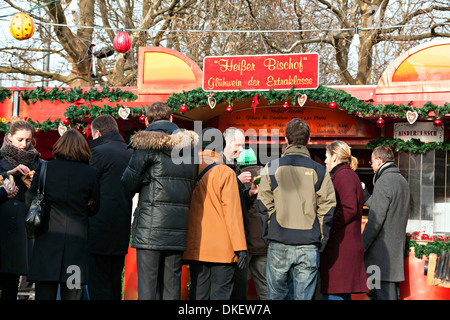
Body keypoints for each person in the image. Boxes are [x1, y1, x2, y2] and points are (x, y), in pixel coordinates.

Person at [121, 101, 198, 300]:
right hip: (178, 225)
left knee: (148, 287)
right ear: (171, 119)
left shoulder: (145, 145)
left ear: (146, 121)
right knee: (171, 287)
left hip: (150, 226)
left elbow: (127, 183)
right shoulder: (189, 148)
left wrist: (146, 179)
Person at [257, 118, 336, 300]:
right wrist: (321, 239)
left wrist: (270, 231)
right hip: (308, 244)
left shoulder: (271, 168)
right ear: (308, 141)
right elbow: (328, 208)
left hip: (279, 241)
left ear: (286, 140)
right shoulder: (321, 171)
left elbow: (263, 204)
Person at [25, 128, 99, 300]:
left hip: (47, 240)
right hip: (77, 244)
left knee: (44, 293)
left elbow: (29, 199)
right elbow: (95, 207)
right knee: (73, 293)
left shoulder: (45, 169)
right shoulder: (91, 174)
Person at [183, 128, 247, 300]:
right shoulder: (225, 173)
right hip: (223, 249)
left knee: (198, 293)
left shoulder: (189, 171)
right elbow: (232, 213)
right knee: (221, 295)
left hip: (197, 246)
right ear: (223, 146)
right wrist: (240, 248)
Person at [88, 115, 133, 300]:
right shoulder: (130, 152)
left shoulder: (98, 153)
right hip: (122, 226)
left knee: (99, 282)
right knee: (115, 281)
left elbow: (87, 184)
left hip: (98, 226)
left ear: (97, 133)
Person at [320, 140, 368, 300]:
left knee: (335, 294)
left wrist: (327, 227)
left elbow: (348, 208)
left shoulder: (344, 176)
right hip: (344, 247)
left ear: (334, 157)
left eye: (326, 157)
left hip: (340, 249)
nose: (325, 161)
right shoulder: (347, 175)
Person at [0, 117, 42, 300]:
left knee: (12, 280)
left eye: (27, 140)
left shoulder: (37, 160)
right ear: (9, 137)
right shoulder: (0, 157)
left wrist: (33, 183)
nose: (24, 144)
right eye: (20, 139)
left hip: (20, 225)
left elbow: (41, 193)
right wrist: (8, 173)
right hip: (1, 223)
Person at [362, 145, 410, 300]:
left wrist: (361, 247)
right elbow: (388, 209)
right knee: (389, 294)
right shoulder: (402, 180)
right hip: (394, 251)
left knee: (382, 295)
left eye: (372, 162)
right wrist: (366, 195)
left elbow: (375, 221)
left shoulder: (384, 181)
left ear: (379, 160)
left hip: (381, 255)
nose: (372, 166)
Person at [223, 127, 257, 300]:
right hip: (226, 240)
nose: (242, 149)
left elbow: (237, 201)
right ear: (227, 143)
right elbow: (221, 196)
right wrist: (236, 181)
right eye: (239, 145)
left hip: (238, 238)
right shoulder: (220, 165)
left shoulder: (234, 165)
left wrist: (249, 194)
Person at [237, 148, 267, 300]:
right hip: (264, 242)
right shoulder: (267, 176)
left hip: (244, 243)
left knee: (238, 284)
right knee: (264, 286)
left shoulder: (237, 178)